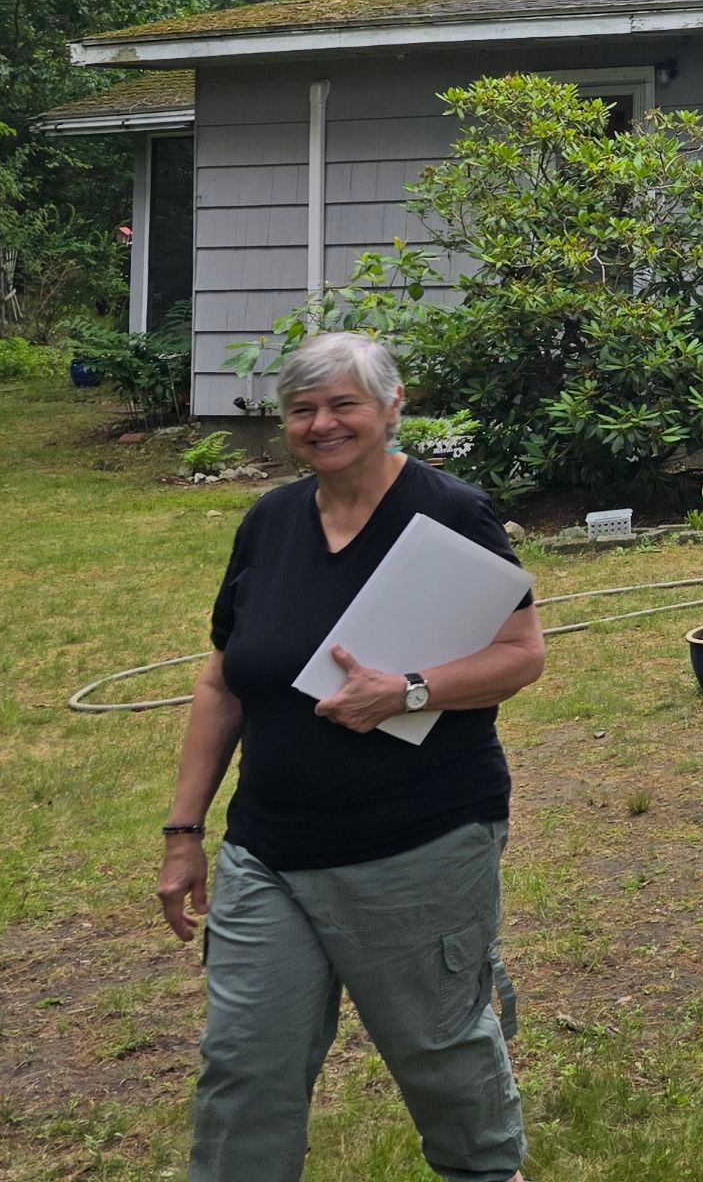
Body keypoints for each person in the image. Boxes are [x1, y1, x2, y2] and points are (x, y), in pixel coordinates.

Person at [156, 331, 544, 1181]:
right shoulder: (269, 522)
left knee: (440, 1056)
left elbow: (521, 655)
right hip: (268, 850)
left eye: (344, 405)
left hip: (417, 844)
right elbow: (224, 680)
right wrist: (184, 829)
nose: (322, 424)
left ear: (391, 406)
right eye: (303, 409)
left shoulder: (450, 512)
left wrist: (406, 690)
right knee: (243, 1067)